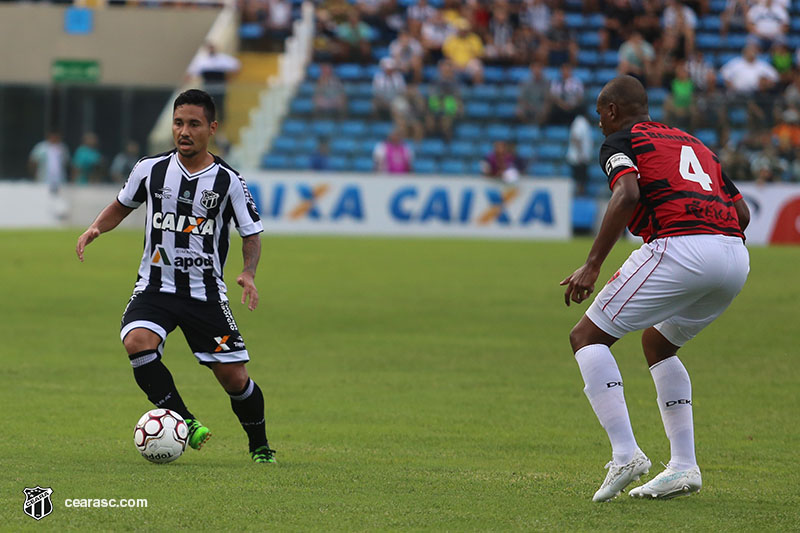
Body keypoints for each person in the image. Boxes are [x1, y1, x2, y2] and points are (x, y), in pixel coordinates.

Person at [560, 76, 750, 501]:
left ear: (612, 111)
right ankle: (683, 466)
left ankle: (625, 454)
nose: (600, 124)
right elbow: (742, 213)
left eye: (600, 115)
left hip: (681, 246)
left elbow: (627, 193)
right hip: (734, 255)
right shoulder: (694, 143)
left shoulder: (621, 140)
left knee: (586, 337)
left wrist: (592, 264)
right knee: (659, 344)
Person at [75, 89, 276, 464]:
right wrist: (96, 228)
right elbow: (121, 205)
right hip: (155, 287)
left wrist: (248, 273)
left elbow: (251, 233)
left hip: (205, 295)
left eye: (194, 124)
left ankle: (260, 446)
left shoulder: (228, 181)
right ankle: (186, 421)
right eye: (178, 123)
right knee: (136, 341)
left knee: (234, 379)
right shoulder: (149, 169)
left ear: (212, 128)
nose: (184, 131)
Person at [186, 42, 241, 123]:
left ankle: (220, 123)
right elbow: (191, 73)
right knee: (207, 106)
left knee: (220, 106)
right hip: (207, 88)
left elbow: (236, 66)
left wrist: (230, 78)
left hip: (220, 88)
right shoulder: (202, 60)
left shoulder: (223, 59)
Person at [566, 114, 593, 196]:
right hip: (579, 158)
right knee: (580, 180)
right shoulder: (580, 122)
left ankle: (580, 195)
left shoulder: (581, 123)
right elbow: (576, 138)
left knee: (582, 180)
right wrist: (580, 153)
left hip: (580, 158)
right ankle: (579, 196)